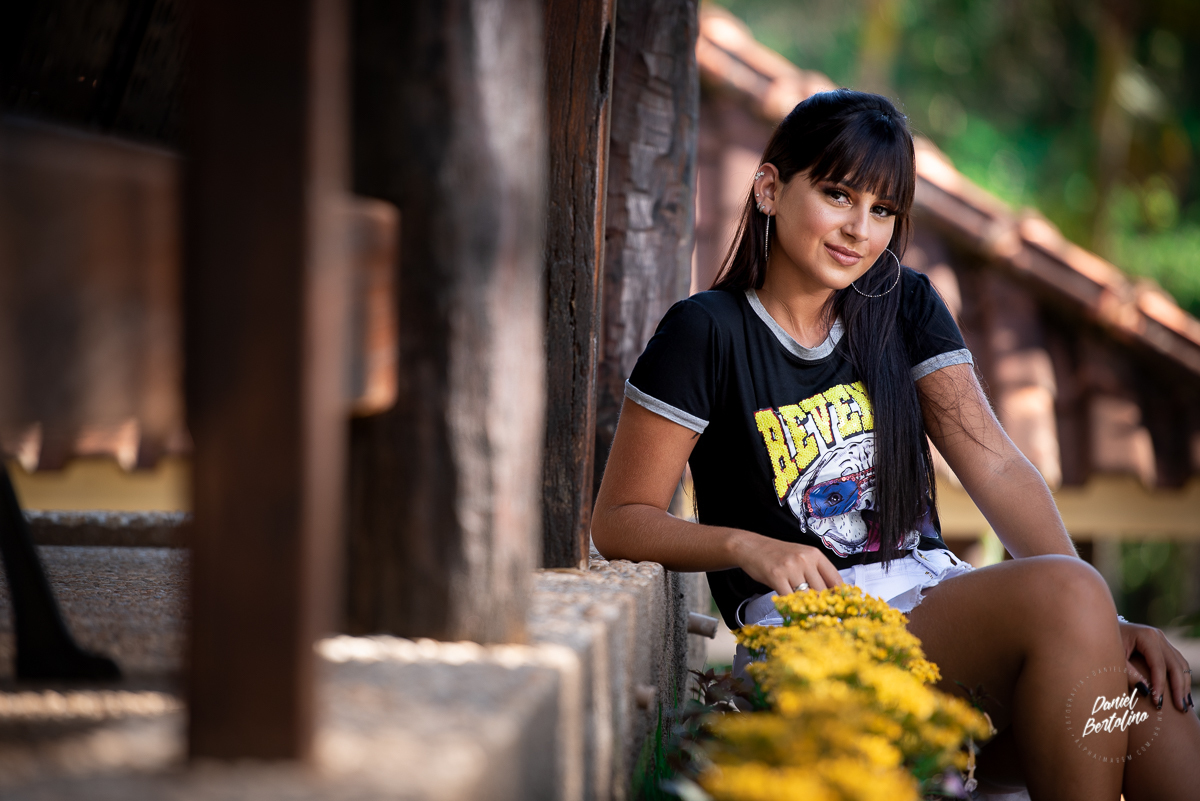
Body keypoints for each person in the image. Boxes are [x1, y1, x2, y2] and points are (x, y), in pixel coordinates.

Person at [591, 89, 1199, 799]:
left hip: (935, 612)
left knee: (1149, 698)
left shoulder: (903, 305)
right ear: (769, 188)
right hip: (816, 640)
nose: (859, 229)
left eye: (883, 210)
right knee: (1072, 588)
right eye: (838, 195)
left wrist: (1109, 625)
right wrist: (747, 547)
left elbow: (996, 465)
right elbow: (620, 519)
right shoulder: (705, 332)